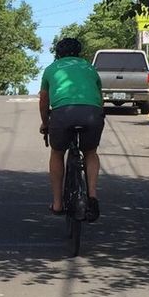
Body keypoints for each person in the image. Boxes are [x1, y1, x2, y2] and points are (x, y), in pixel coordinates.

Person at [39, 35, 104, 220]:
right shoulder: (89, 68)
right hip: (91, 113)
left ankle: (57, 203)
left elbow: (44, 101)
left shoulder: (51, 69)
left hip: (62, 114)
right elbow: (100, 97)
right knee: (90, 152)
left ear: (58, 54)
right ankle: (92, 197)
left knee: (57, 153)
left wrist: (45, 123)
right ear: (78, 53)